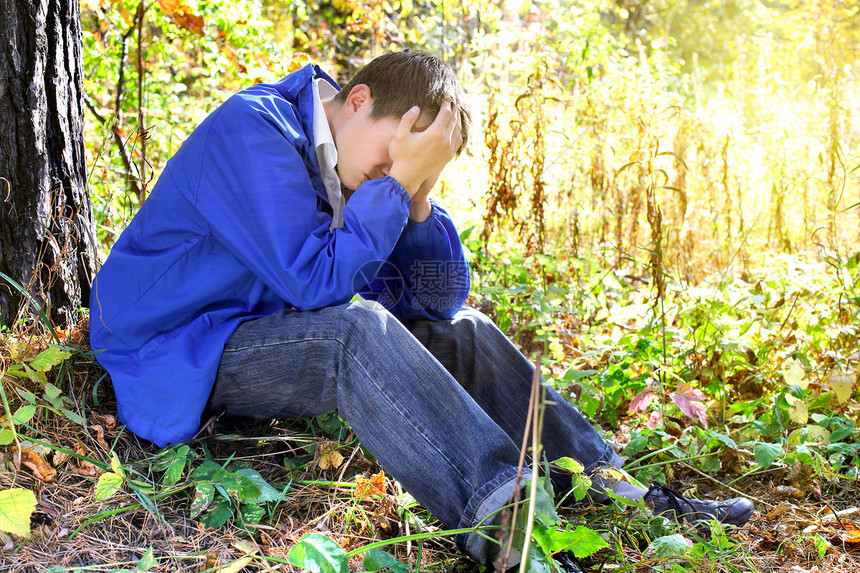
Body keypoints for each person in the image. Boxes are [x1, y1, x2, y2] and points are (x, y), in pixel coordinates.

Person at [89, 51, 753, 569]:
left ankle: (612, 491)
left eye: (405, 170)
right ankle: (513, 527)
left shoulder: (359, 164)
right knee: (356, 330)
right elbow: (317, 282)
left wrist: (416, 198)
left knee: (465, 330)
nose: (388, 175)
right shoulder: (254, 131)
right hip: (180, 347)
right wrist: (395, 181)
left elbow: (437, 301)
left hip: (261, 328)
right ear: (358, 100)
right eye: (390, 160)